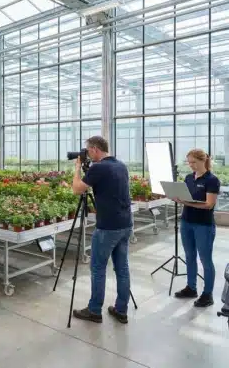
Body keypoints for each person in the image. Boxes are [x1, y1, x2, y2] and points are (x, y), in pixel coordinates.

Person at [70, 136, 133, 325]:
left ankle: (94, 310)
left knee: (98, 268)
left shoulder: (99, 168)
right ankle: (121, 310)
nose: (87, 154)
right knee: (122, 269)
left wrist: (77, 169)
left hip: (107, 227)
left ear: (96, 149)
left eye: (88, 150)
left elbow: (77, 189)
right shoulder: (120, 165)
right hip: (125, 224)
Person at [171, 148, 220, 308]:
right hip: (186, 222)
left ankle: (208, 294)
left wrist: (186, 202)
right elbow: (187, 198)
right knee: (189, 256)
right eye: (189, 162)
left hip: (203, 225)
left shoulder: (212, 180)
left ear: (203, 160)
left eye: (194, 162)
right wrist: (178, 198)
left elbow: (209, 204)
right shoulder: (188, 178)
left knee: (205, 259)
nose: (191, 165)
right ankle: (191, 288)